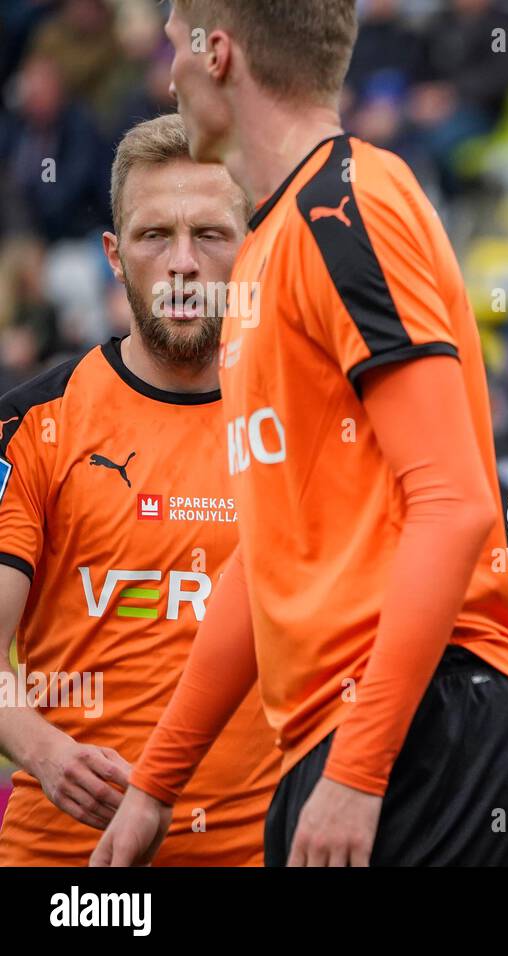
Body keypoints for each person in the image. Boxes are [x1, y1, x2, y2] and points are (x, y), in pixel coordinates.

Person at [93, 0, 508, 868]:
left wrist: (362, 769)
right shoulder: (269, 244)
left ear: (216, 53)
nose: (165, 61)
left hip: (421, 723)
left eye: (173, 37)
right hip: (346, 736)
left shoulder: (349, 207)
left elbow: (453, 503)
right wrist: (154, 787)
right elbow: (265, 559)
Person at [0, 114, 277, 865]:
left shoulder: (308, 427)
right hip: (66, 863)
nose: (183, 263)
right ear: (115, 257)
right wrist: (43, 750)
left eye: (211, 235)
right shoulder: (29, 422)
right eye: (156, 236)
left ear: (252, 251)